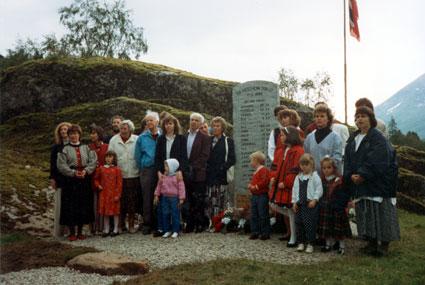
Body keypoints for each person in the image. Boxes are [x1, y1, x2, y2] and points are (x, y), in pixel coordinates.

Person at [344, 106, 400, 257]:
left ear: (371, 119)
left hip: (379, 184)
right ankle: (371, 243)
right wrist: (350, 175)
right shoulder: (353, 138)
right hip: (360, 183)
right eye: (357, 117)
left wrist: (363, 174)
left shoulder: (378, 138)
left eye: (363, 116)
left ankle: (384, 246)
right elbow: (348, 159)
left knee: (382, 214)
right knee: (366, 213)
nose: (359, 119)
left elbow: (378, 159)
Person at [57, 124, 97, 241]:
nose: (74, 136)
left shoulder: (87, 148)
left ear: (79, 135)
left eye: (76, 133)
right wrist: (73, 173)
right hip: (70, 181)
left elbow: (93, 161)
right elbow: (61, 165)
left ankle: (80, 231)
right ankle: (72, 232)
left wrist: (86, 171)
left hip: (84, 179)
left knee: (82, 205)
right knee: (70, 206)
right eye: (71, 134)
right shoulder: (64, 149)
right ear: (68, 136)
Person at [269, 126, 304, 247]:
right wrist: (273, 177)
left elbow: (296, 169)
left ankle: (294, 237)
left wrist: (287, 182)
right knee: (279, 207)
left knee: (291, 211)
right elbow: (276, 166)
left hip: (289, 187)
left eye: (283, 135)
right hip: (280, 184)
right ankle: (293, 235)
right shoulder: (282, 150)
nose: (281, 137)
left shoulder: (298, 150)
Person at [154, 114, 188, 236]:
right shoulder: (161, 139)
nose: (168, 126)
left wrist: (180, 170)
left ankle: (176, 227)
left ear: (175, 125)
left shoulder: (181, 138)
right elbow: (157, 157)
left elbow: (184, 157)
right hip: (163, 172)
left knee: (175, 203)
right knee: (163, 203)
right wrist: (158, 171)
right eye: (166, 124)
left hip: (176, 172)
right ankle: (163, 228)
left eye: (171, 123)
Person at [108, 120, 139, 233]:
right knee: (120, 201)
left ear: (130, 129)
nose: (123, 130)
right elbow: (110, 156)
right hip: (119, 176)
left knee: (132, 202)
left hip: (134, 175)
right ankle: (121, 225)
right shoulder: (114, 140)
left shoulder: (136, 139)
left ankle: (131, 225)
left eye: (125, 128)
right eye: (121, 128)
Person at [317, 157, 351, 255]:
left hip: (336, 208)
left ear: (333, 168)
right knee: (326, 227)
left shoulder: (338, 180)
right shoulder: (322, 180)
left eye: (329, 167)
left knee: (338, 228)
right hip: (325, 208)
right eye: (324, 168)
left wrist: (343, 205)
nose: (326, 170)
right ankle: (328, 244)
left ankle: (341, 246)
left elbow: (343, 194)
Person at [184, 113, 211, 233]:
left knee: (199, 199)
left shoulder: (205, 138)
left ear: (200, 123)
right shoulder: (183, 136)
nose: (193, 122)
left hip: (199, 172)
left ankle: (200, 224)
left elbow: (204, 156)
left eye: (196, 120)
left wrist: (192, 167)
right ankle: (189, 224)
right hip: (185, 173)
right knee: (188, 199)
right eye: (192, 120)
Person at [135, 111, 161, 235]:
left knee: (161, 196)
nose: (149, 122)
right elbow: (137, 156)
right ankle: (147, 223)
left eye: (151, 120)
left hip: (162, 169)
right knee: (147, 197)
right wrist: (143, 167)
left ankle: (159, 223)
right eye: (147, 121)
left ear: (157, 121)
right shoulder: (142, 138)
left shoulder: (163, 135)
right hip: (147, 169)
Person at [206, 116, 236, 225]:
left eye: (218, 126)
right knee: (210, 200)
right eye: (213, 126)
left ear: (222, 127)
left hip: (221, 176)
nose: (215, 128)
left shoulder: (228, 141)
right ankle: (210, 222)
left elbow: (232, 159)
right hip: (209, 176)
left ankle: (221, 222)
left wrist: (222, 168)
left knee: (221, 200)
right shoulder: (208, 140)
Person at [292, 153, 323, 253]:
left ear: (312, 165)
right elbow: (295, 190)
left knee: (310, 224)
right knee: (299, 224)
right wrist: (294, 202)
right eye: (302, 164)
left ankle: (310, 243)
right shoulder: (298, 177)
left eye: (306, 164)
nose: (304, 167)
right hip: (300, 205)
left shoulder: (314, 177)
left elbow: (319, 189)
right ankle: (301, 242)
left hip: (310, 205)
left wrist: (315, 199)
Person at [304, 104, 343, 174]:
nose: (319, 118)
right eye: (317, 116)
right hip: (313, 178)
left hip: (329, 179)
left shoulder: (335, 138)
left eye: (322, 116)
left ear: (328, 119)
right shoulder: (309, 137)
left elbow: (337, 159)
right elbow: (306, 157)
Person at [50, 122, 72, 238]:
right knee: (60, 204)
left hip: (72, 179)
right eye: (61, 130)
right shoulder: (56, 147)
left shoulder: (75, 145)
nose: (64, 131)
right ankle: (59, 231)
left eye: (66, 129)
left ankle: (70, 230)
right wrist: (52, 178)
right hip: (60, 179)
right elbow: (52, 165)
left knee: (71, 205)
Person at [154, 158, 186, 238]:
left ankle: (176, 230)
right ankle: (167, 230)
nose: (165, 168)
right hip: (165, 198)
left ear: (172, 167)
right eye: (165, 166)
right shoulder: (163, 176)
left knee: (175, 214)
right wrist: (156, 195)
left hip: (174, 198)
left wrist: (181, 198)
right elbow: (159, 186)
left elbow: (181, 187)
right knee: (165, 214)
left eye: (167, 166)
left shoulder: (177, 176)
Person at [94, 150, 123, 237]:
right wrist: (98, 185)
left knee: (115, 212)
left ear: (114, 158)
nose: (108, 159)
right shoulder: (101, 169)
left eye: (110, 157)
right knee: (105, 212)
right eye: (107, 157)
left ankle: (115, 229)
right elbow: (96, 179)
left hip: (114, 193)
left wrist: (118, 194)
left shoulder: (117, 169)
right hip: (104, 194)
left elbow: (120, 183)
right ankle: (106, 229)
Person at [88, 124, 109, 235]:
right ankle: (93, 227)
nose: (92, 135)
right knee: (93, 203)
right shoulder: (88, 147)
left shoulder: (106, 147)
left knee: (103, 202)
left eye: (94, 133)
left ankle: (103, 227)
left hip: (104, 178)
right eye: (91, 133)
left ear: (99, 134)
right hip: (91, 178)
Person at [248, 151, 271, 240]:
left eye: (251, 161)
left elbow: (264, 181)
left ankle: (265, 232)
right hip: (255, 195)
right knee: (254, 214)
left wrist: (255, 187)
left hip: (262, 195)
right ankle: (255, 231)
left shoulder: (263, 170)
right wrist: (250, 186)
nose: (250, 163)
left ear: (256, 161)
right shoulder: (257, 171)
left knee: (262, 214)